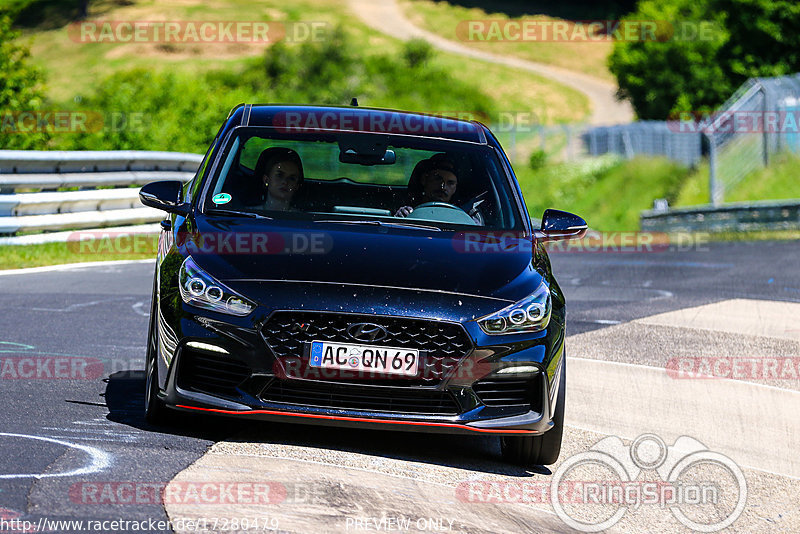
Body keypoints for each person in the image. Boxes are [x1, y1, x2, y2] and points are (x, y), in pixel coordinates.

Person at [395, 153, 484, 224]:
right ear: (424, 179)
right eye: (437, 179)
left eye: (450, 183)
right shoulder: (407, 211)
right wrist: (401, 217)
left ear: (455, 188)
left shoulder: (468, 216)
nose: (443, 187)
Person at [254, 147, 304, 211]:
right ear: (266, 180)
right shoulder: (247, 216)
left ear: (297, 186)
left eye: (292, 178)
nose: (285, 182)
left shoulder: (303, 219)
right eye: (279, 175)